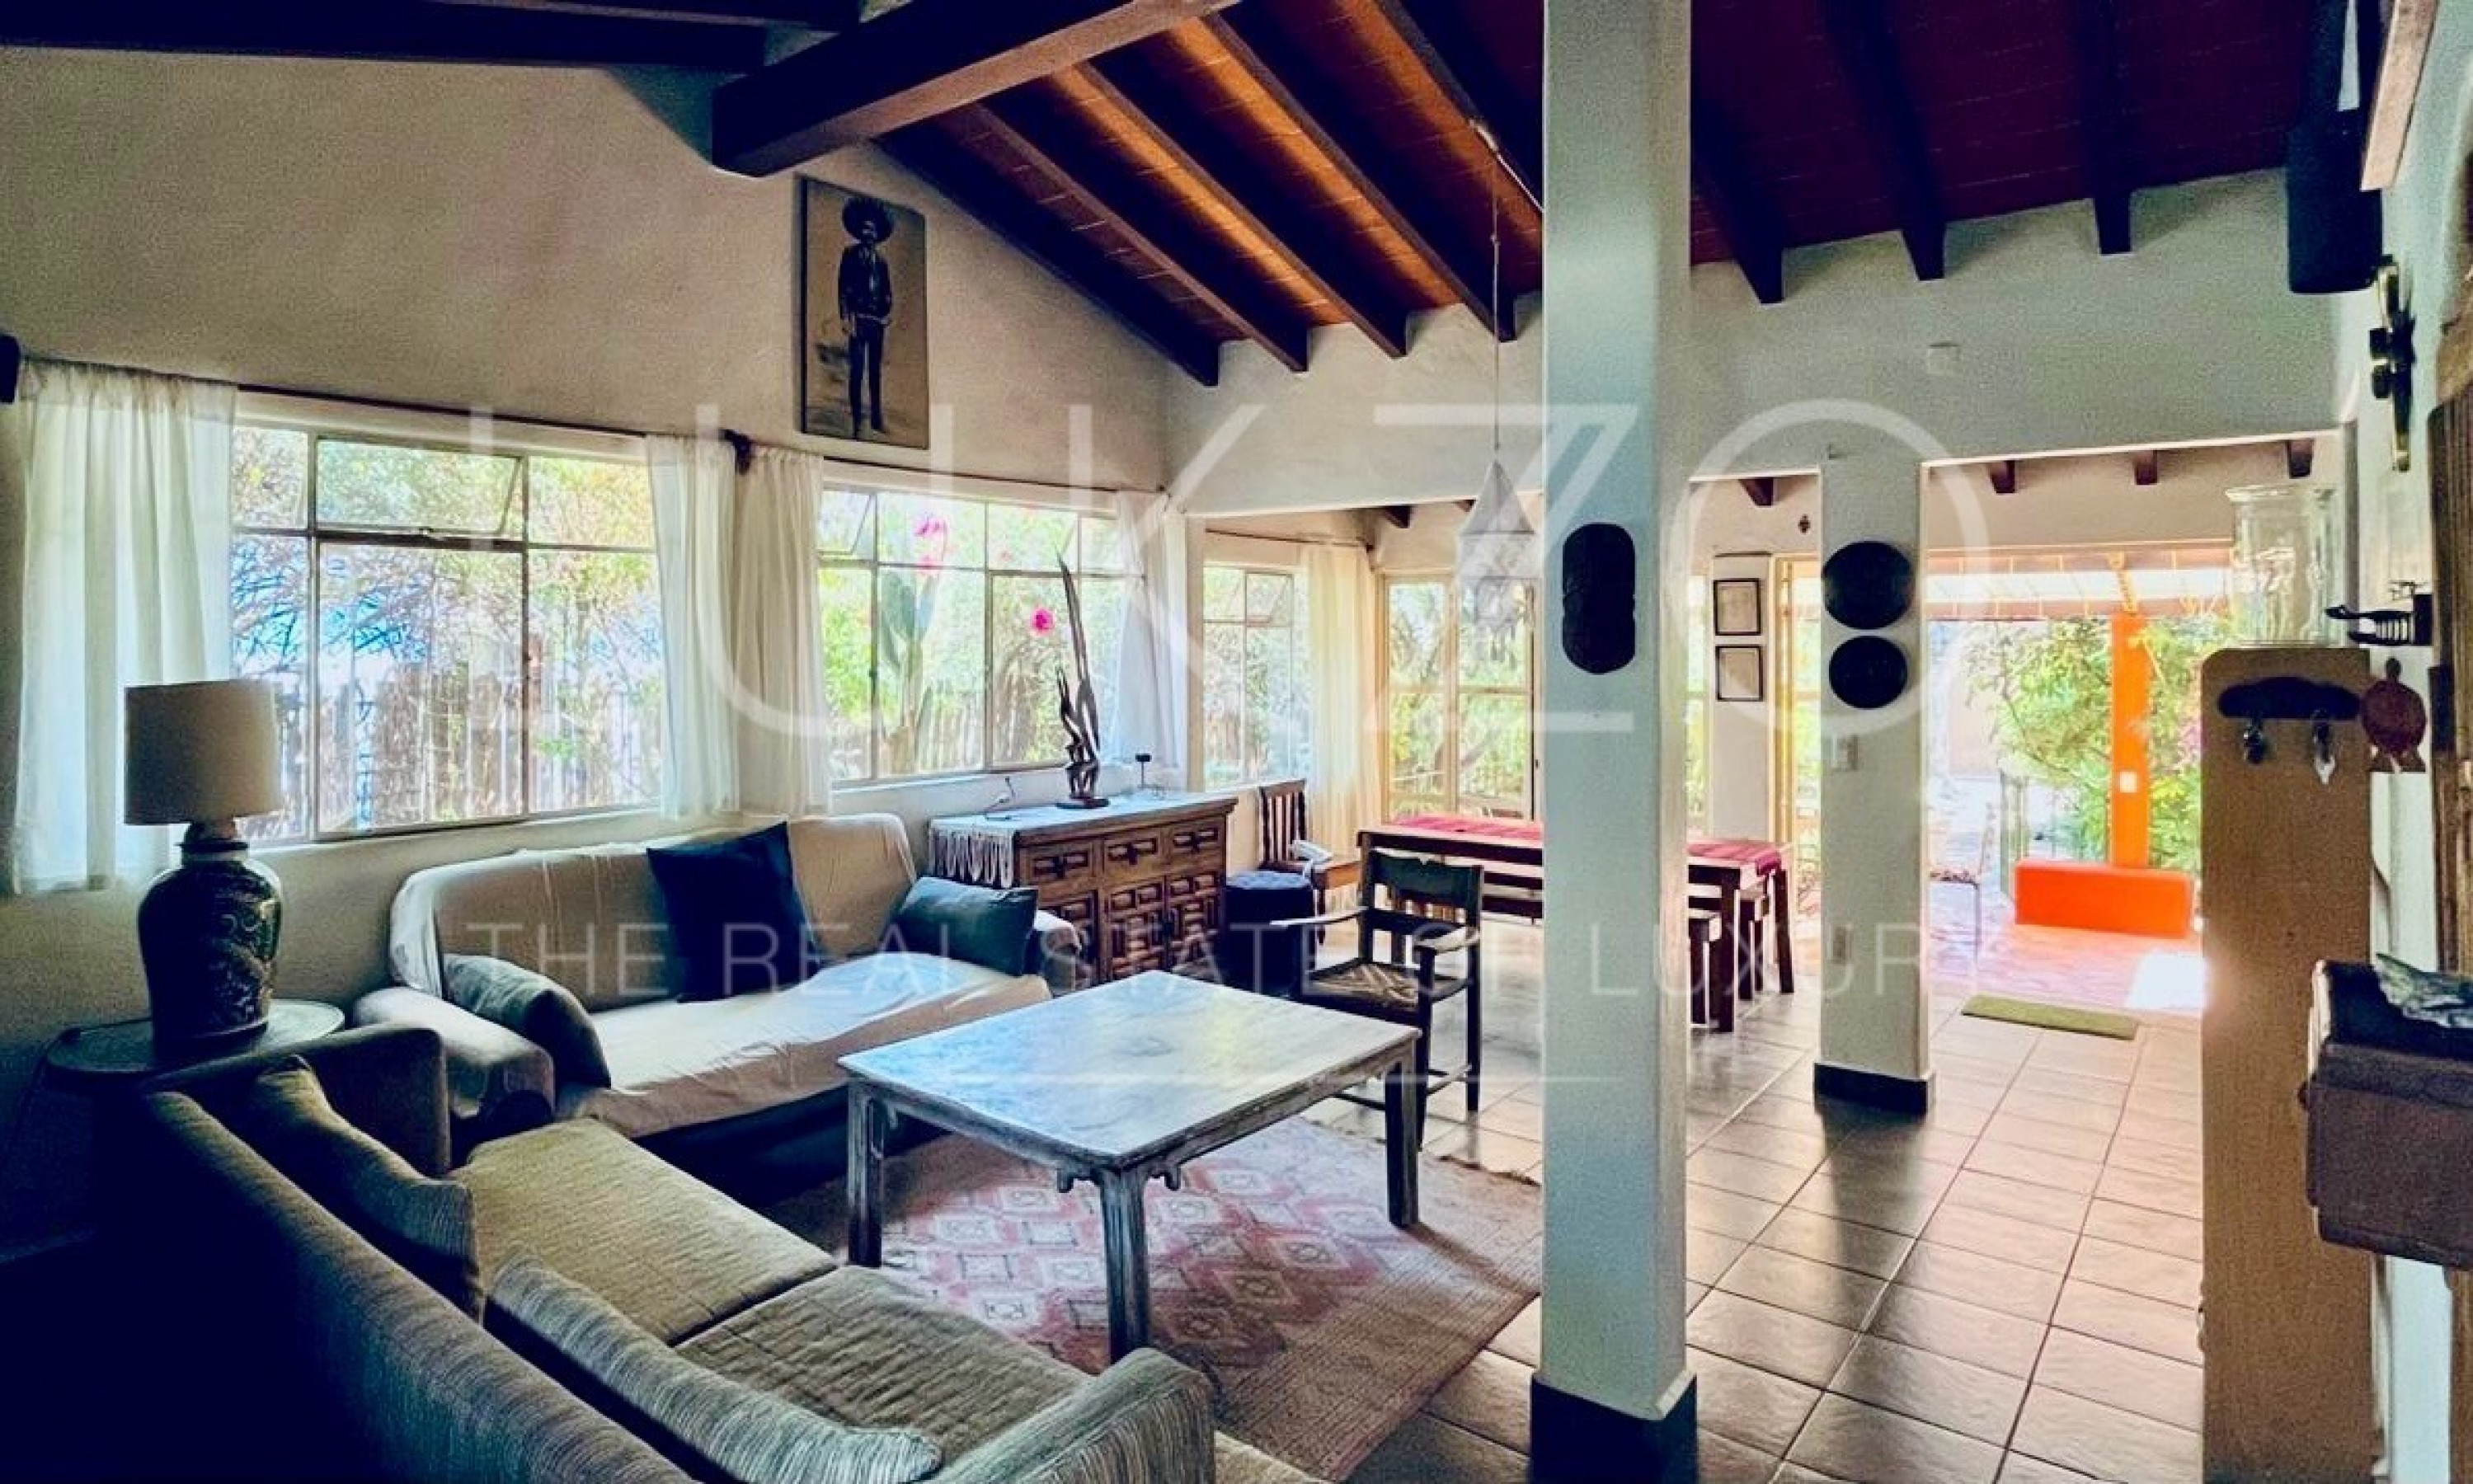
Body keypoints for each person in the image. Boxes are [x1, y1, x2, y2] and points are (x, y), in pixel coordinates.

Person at [835, 196, 896, 435]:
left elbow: (887, 291)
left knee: (875, 372)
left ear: (877, 234)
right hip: (858, 318)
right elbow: (842, 287)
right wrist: (845, 318)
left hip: (876, 321)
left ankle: (876, 420)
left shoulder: (882, 261)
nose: (868, 233)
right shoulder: (850, 254)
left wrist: (887, 312)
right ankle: (857, 421)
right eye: (865, 229)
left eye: (872, 230)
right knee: (857, 371)